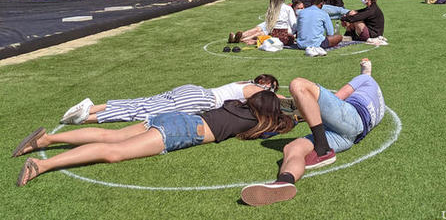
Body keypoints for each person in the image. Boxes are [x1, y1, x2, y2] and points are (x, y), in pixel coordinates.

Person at [13, 91, 294, 187]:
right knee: (115, 151)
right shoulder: (254, 122)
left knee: (111, 136)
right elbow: (286, 122)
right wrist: (292, 113)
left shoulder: (235, 106)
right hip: (182, 130)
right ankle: (42, 164)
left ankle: (46, 140)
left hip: (174, 117)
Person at [240, 61, 384, 206]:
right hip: (350, 136)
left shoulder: (365, 79)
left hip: (353, 118)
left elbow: (339, 96)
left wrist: (305, 108)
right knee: (292, 148)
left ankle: (323, 149)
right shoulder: (377, 98)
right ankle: (284, 181)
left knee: (298, 85)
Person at [58, 74, 280, 125]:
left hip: (192, 91)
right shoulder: (253, 88)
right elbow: (275, 98)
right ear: (265, 83)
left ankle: (92, 107)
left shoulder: (242, 82)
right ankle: (84, 118)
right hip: (200, 100)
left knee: (142, 102)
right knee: (143, 112)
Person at [229, 0, 297, 46]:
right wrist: (293, 34)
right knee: (260, 32)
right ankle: (241, 39)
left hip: (272, 33)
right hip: (282, 35)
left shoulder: (271, 8)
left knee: (259, 31)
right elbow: (294, 24)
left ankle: (239, 38)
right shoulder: (288, 8)